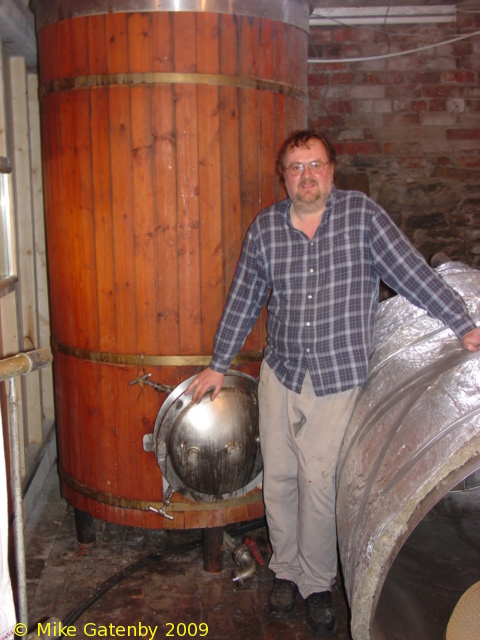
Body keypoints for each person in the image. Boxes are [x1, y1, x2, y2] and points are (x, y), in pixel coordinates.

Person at [186, 130, 480, 637]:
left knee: (317, 483)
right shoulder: (266, 230)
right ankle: (285, 570)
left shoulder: (362, 217)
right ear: (284, 176)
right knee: (278, 480)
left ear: (332, 170)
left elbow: (411, 271)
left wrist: (463, 321)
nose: (307, 176)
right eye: (296, 168)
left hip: (337, 375)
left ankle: (317, 584)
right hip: (281, 371)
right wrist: (218, 362)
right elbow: (243, 298)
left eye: (315, 165)